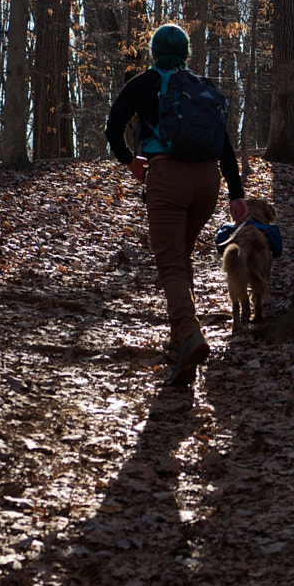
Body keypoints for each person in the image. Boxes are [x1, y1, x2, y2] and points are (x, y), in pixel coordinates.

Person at [106, 24, 248, 386]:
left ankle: (189, 335)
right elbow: (224, 143)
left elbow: (113, 126)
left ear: (154, 52)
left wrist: (129, 159)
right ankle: (181, 333)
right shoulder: (199, 87)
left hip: (167, 177)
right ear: (185, 53)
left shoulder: (143, 82)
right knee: (181, 256)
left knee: (169, 262)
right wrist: (236, 193)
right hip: (207, 180)